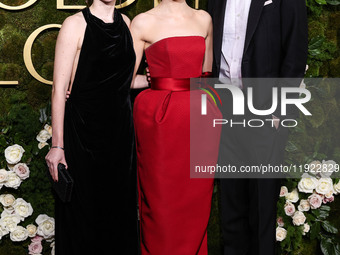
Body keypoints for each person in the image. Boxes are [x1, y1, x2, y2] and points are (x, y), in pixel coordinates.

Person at [207, 0, 308, 254]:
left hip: (264, 111)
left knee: (262, 210)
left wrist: (279, 111)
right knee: (230, 208)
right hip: (224, 108)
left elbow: (295, 52)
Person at [45, 0, 139, 254]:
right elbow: (58, 90)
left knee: (119, 213)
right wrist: (57, 145)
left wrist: (161, 81)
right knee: (84, 216)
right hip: (84, 135)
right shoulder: (74, 25)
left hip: (120, 137)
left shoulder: (128, 24)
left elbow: (124, 80)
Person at [130, 0, 221, 254]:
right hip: (158, 120)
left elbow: (206, 73)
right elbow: (123, 77)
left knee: (196, 201)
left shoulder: (204, 19)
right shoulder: (142, 21)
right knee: (161, 201)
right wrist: (151, 80)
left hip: (199, 119)